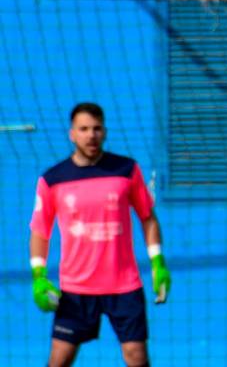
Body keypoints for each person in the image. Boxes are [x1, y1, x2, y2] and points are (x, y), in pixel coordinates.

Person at [29, 102, 171, 367]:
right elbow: (40, 231)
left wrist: (158, 263)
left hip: (124, 286)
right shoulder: (52, 179)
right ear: (72, 134)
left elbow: (148, 218)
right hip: (75, 288)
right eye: (83, 129)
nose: (90, 135)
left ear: (104, 132)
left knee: (136, 357)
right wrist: (38, 276)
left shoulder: (126, 170)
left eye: (96, 129)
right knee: (59, 360)